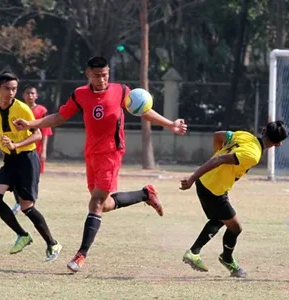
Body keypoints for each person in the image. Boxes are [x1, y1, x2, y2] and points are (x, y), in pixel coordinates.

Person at [13, 56, 188, 273]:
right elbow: (59, 117)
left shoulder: (121, 91)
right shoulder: (80, 94)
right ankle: (145, 194)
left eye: (105, 74)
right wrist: (30, 123)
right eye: (97, 75)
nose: (102, 79)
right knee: (103, 205)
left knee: (95, 203)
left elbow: (144, 111)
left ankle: (80, 255)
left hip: (111, 153)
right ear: (88, 74)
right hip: (91, 154)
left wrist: (170, 124)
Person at [179, 121, 288, 278]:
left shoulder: (244, 135)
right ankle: (218, 257)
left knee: (218, 219)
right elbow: (221, 159)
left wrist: (213, 157)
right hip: (214, 189)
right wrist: (191, 177)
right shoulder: (253, 154)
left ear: (263, 130)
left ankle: (198, 253)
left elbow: (217, 136)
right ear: (278, 144)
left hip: (205, 182)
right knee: (235, 227)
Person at [0, 71, 62, 262]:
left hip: (27, 159)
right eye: (7, 89)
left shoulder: (22, 109)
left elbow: (38, 136)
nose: (11, 93)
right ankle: (23, 235)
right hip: (10, 160)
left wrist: (16, 145)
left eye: (14, 89)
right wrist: (5, 149)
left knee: (27, 206)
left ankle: (52, 243)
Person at [12, 85, 53, 215]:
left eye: (32, 93)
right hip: (20, 146)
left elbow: (45, 131)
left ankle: (30, 202)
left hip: (36, 147)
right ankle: (19, 201)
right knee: (15, 177)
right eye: (27, 93)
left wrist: (44, 150)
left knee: (33, 177)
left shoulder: (42, 110)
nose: (30, 96)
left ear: (36, 96)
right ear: (23, 95)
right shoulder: (18, 109)